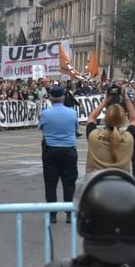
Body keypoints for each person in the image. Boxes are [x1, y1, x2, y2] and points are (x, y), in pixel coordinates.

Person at [39, 85, 80, 224]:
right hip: (69, 150)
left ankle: (52, 214)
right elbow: (75, 129)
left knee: (50, 183)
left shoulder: (45, 113)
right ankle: (69, 213)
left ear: (50, 97)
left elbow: (42, 128)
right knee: (69, 182)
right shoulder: (72, 112)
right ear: (63, 97)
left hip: (51, 150)